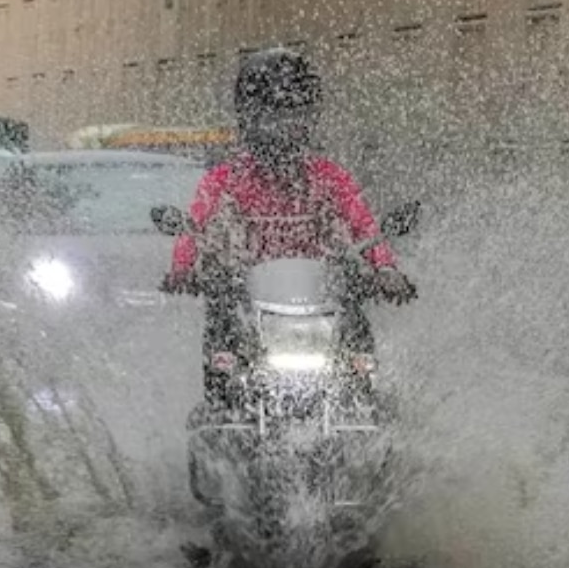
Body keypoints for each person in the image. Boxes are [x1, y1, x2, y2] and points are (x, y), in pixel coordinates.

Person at [159, 47, 417, 405]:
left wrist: (385, 269)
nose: (282, 130)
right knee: (221, 322)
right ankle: (222, 418)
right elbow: (193, 226)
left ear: (309, 120)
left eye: (293, 118)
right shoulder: (226, 179)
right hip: (246, 303)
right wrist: (183, 269)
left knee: (356, 324)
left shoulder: (329, 177)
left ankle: (362, 413)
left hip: (322, 303)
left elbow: (364, 226)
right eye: (271, 118)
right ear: (249, 119)